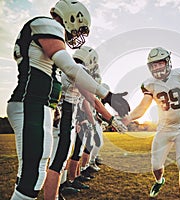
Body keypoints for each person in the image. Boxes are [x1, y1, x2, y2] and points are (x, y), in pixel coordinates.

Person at [7, 0, 128, 199]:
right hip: (31, 103)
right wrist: (108, 96)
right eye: (79, 29)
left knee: (33, 172)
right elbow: (70, 69)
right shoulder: (48, 25)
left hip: (37, 104)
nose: (77, 35)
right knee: (33, 178)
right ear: (71, 17)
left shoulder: (43, 30)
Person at [122, 47, 180, 200]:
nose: (157, 68)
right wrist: (127, 119)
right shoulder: (149, 84)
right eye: (153, 65)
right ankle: (159, 181)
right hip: (164, 129)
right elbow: (142, 107)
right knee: (155, 166)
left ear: (167, 62)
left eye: (159, 64)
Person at [48, 45, 129, 200]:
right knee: (58, 162)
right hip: (65, 117)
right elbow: (92, 101)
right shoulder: (79, 70)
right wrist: (112, 120)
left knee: (56, 160)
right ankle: (55, 193)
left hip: (58, 115)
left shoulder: (66, 66)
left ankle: (59, 189)